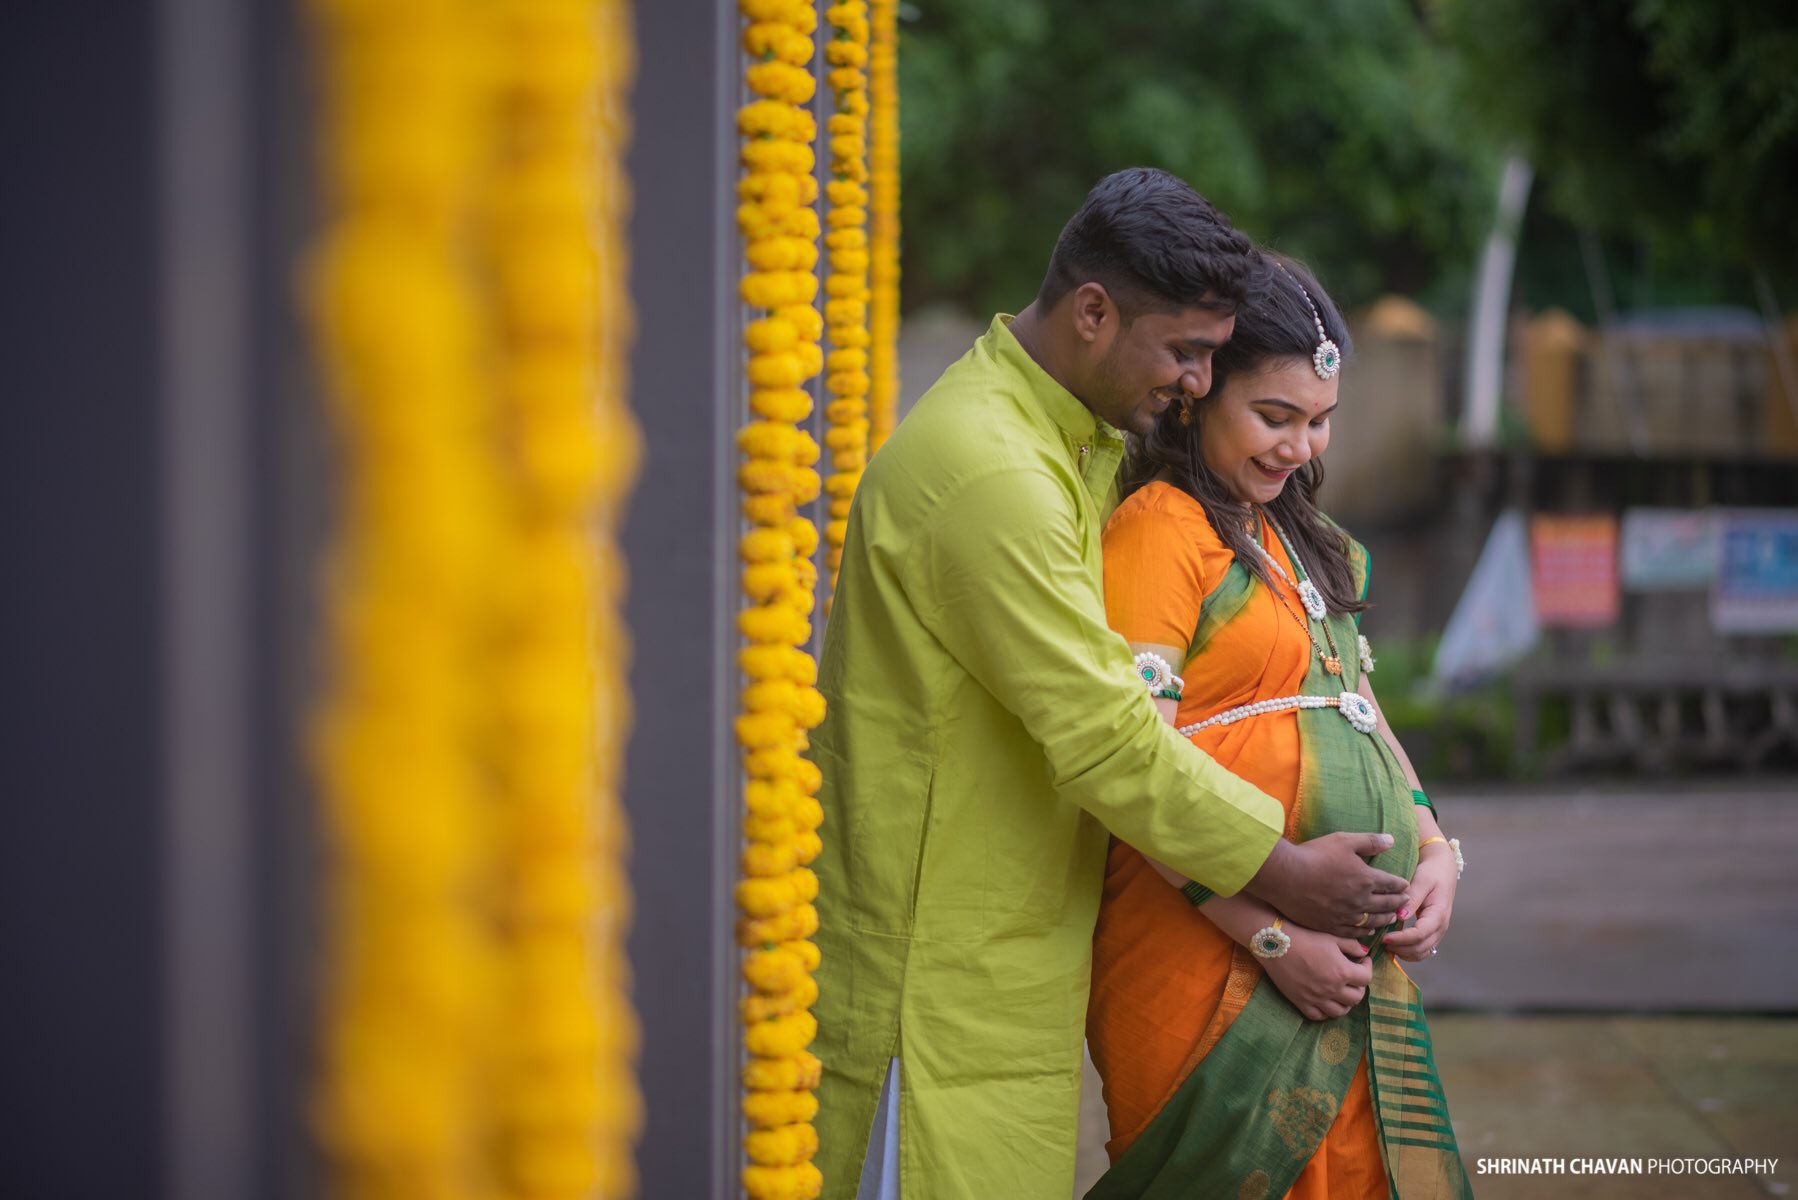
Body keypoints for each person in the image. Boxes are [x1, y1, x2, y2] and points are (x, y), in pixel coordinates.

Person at [807, 168, 1414, 1200]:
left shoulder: (1055, 440)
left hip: (1009, 963)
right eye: (1184, 352)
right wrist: (1279, 876)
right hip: (938, 988)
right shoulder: (995, 469)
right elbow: (1108, 736)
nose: (1191, 383)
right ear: (1093, 312)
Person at [1084, 255, 1471, 1199]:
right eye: (1275, 416)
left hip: (1346, 958)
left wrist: (1435, 850)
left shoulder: (1303, 541)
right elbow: (1136, 771)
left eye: (1320, 420)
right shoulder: (1158, 532)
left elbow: (1357, 705)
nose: (1300, 446)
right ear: (1197, 397)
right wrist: (1270, 940)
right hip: (1202, 954)